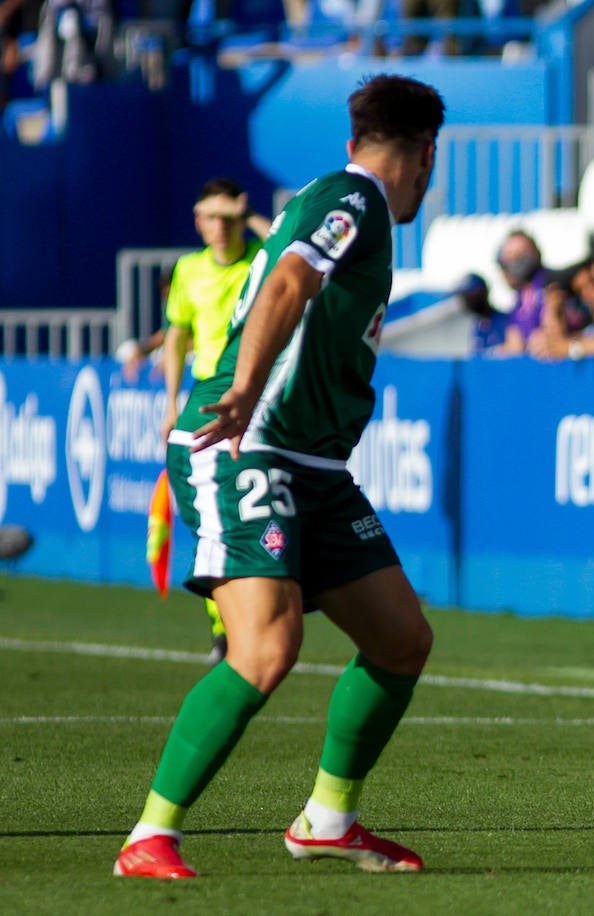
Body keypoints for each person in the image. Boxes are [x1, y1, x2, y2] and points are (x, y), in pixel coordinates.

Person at [114, 73, 447, 880]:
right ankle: (149, 837)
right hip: (247, 443)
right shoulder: (357, 199)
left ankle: (329, 821)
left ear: (354, 138)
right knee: (267, 646)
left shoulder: (345, 195)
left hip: (312, 462)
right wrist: (244, 391)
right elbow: (292, 281)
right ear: (427, 156)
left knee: (401, 639)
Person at [153, 178, 273, 662]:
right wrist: (169, 401)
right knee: (211, 519)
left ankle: (254, 614)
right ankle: (223, 625)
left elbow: (287, 244)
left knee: (253, 511)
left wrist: (250, 217)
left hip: (256, 398)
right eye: (212, 218)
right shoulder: (187, 270)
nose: (221, 228)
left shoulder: (260, 258)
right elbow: (176, 335)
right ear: (198, 221)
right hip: (205, 403)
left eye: (229, 219)